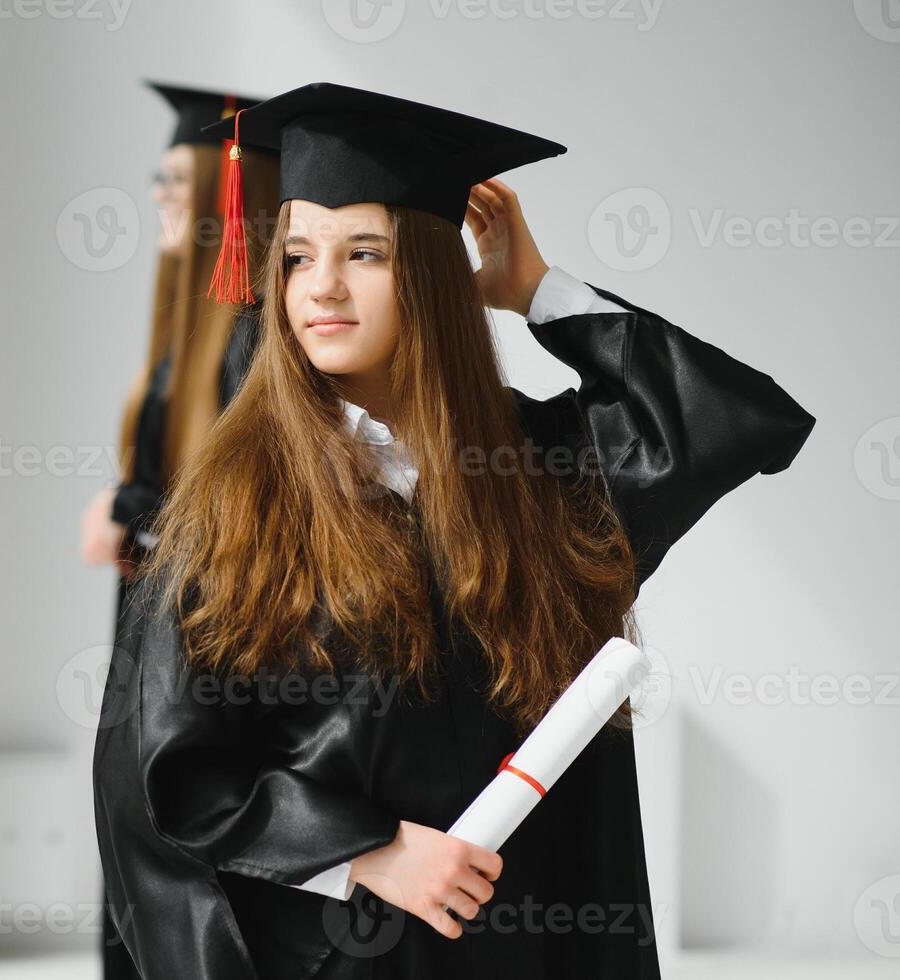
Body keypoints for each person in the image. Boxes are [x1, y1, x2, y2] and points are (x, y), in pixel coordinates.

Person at [93, 82, 815, 979]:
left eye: (365, 252)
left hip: (525, 941)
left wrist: (537, 292)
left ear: (431, 277)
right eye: (296, 256)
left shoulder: (535, 472)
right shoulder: (240, 505)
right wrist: (373, 852)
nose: (320, 286)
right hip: (344, 949)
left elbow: (737, 419)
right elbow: (165, 779)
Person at [79, 80, 278, 980]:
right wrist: (125, 504)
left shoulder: (252, 337)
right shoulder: (180, 334)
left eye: (174, 180)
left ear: (225, 196)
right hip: (151, 624)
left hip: (216, 641)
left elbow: (237, 508)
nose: (158, 197)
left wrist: (138, 521)